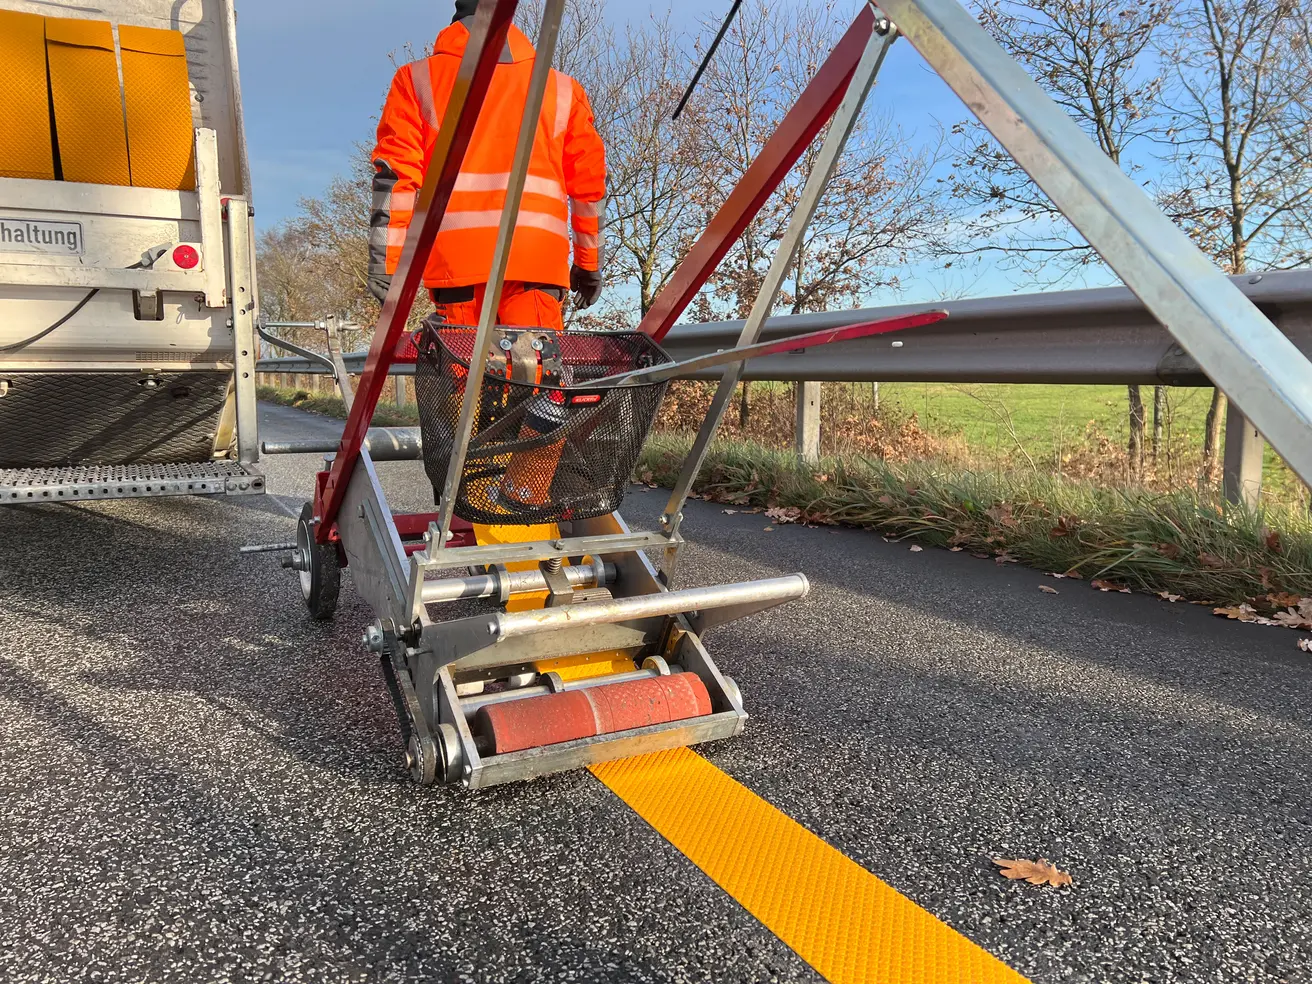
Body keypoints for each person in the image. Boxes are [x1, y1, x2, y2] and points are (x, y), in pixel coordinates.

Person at [367, 0, 607, 329]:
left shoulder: (417, 80)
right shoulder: (562, 88)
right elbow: (588, 186)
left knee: (466, 377)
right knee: (532, 374)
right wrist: (588, 262)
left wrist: (386, 263)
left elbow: (395, 178)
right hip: (536, 264)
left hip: (457, 265)